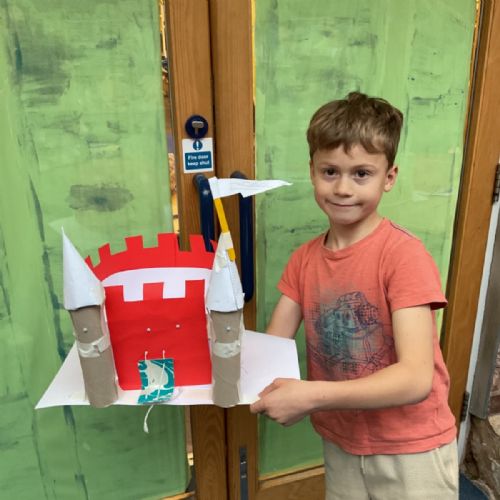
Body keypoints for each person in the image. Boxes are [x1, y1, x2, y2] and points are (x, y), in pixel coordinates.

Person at [250, 91, 458, 499]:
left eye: (361, 173)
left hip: (411, 446)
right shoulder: (303, 261)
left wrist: (311, 396)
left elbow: (415, 379)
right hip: (341, 439)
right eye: (330, 171)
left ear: (389, 178)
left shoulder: (403, 256)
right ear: (312, 171)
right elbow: (270, 350)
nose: (343, 188)